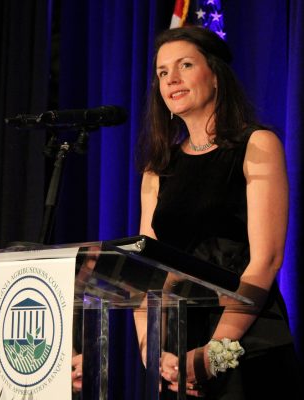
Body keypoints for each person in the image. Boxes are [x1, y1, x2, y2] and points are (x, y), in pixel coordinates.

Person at [134, 26, 302, 399]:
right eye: (162, 72)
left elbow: (267, 260)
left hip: (247, 342)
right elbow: (149, 273)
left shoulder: (257, 145)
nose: (171, 79)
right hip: (178, 353)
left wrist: (214, 355)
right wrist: (152, 350)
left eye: (185, 65)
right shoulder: (158, 168)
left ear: (215, 75)